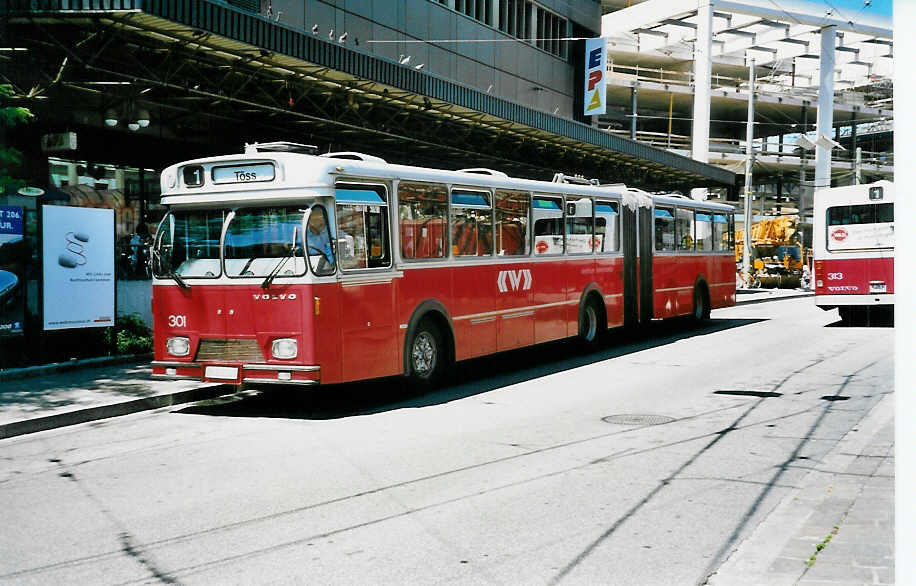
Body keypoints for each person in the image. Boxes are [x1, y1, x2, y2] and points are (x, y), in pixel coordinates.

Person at [306, 206, 336, 273]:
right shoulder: (303, 234)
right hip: (305, 266)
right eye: (313, 219)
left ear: (324, 219)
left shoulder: (333, 233)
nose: (315, 222)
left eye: (318, 218)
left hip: (327, 269)